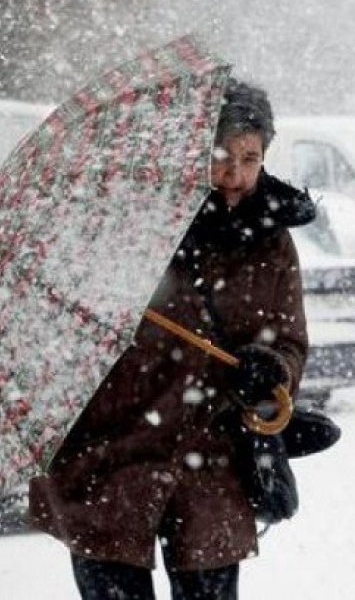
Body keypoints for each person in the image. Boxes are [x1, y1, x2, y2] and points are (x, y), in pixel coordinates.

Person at [29, 79, 315, 599]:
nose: (234, 175)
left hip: (212, 458)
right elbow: (69, 329)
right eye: (221, 156)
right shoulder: (129, 219)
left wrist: (271, 369)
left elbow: (291, 342)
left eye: (250, 159)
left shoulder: (271, 237)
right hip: (113, 451)